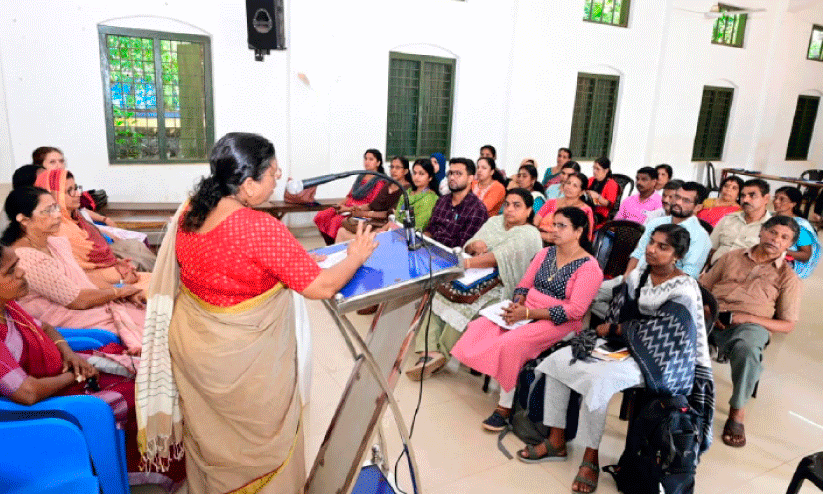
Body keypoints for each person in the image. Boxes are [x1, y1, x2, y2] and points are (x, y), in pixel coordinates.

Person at [137, 132, 379, 494]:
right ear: (248, 184)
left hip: (195, 346)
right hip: (241, 361)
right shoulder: (259, 227)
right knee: (256, 446)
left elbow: (229, 264)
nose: (278, 179)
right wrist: (358, 254)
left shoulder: (191, 210)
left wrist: (292, 262)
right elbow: (323, 288)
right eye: (273, 174)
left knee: (211, 436)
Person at [525, 224, 713, 494]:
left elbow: (668, 333)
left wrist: (616, 330)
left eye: (663, 247)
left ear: (677, 256)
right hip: (625, 346)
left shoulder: (684, 287)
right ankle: (556, 439)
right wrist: (615, 331)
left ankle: (590, 457)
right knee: (559, 361)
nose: (652, 250)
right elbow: (619, 310)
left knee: (599, 380)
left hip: (662, 360)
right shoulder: (639, 274)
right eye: (652, 242)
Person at [0, 246, 185, 488]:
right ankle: (148, 465)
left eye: (18, 265)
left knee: (152, 376)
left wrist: (68, 354)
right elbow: (27, 393)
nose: (22, 272)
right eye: (11, 271)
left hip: (65, 375)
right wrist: (73, 376)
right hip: (49, 399)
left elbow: (44, 327)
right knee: (145, 395)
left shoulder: (8, 307)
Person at [451, 207, 603, 433]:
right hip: (528, 309)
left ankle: (505, 406)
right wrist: (518, 302)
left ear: (578, 231)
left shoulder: (589, 267)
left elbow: (575, 311)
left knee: (513, 343)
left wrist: (529, 315)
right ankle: (503, 380)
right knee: (482, 325)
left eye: (562, 226)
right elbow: (524, 283)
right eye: (554, 224)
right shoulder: (546, 253)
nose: (555, 230)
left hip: (559, 322)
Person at [406, 189, 542, 380]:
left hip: (501, 284)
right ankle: (426, 351)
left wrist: (465, 263)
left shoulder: (530, 233)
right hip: (473, 274)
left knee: (467, 302)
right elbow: (469, 245)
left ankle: (441, 353)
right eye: (507, 204)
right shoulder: (495, 222)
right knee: (441, 291)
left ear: (529, 210)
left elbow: (498, 257)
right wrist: (473, 247)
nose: (510, 209)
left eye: (517, 205)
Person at [2, 187, 146, 354]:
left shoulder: (54, 243)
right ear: (24, 219)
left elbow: (82, 278)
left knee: (147, 308)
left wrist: (123, 289)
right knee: (147, 326)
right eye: (47, 211)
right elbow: (77, 300)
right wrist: (118, 292)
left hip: (88, 307)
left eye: (56, 207)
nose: (57, 215)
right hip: (69, 317)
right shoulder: (26, 258)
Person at [700, 216, 801, 448]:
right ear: (762, 231)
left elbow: (788, 324)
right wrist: (708, 310)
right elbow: (703, 288)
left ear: (789, 245)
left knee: (748, 347)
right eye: (773, 232)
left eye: (784, 238)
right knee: (674, 325)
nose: (776, 240)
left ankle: (737, 411)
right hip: (711, 315)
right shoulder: (731, 257)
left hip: (749, 325)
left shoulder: (788, 277)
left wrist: (748, 318)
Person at [35, 169, 153, 286]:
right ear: (53, 196)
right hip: (99, 283)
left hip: (109, 271)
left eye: (76, 188)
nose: (78, 194)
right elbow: (78, 276)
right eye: (69, 191)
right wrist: (120, 276)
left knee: (149, 270)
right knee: (154, 284)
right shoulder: (57, 230)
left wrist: (117, 263)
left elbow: (99, 252)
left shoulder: (76, 217)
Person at [624, 182, 710, 279]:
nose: (678, 202)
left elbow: (689, 274)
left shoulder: (700, 236)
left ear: (698, 207)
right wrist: (627, 275)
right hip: (635, 278)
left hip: (665, 287)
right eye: (677, 197)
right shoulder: (656, 222)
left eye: (686, 200)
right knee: (604, 289)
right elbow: (638, 253)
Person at [313, 149, 387, 245]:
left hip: (358, 211)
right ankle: (330, 244)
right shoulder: (361, 177)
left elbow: (371, 205)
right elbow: (349, 196)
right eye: (365, 159)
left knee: (335, 222)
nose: (367, 162)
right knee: (321, 216)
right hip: (346, 207)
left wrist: (347, 209)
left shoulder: (380, 181)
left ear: (378, 163)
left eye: (371, 159)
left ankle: (335, 247)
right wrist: (339, 205)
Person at [335, 155, 410, 242]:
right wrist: (358, 208)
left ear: (405, 171)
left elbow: (390, 214)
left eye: (397, 168)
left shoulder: (407, 190)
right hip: (373, 221)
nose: (393, 170)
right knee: (342, 229)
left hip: (386, 225)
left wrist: (364, 213)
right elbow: (372, 205)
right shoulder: (388, 185)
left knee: (345, 232)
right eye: (392, 167)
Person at [424, 158, 488, 248]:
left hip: (452, 259)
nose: (452, 177)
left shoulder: (477, 210)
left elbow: (461, 246)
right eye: (450, 173)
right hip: (429, 251)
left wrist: (433, 239)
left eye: (458, 173)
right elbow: (431, 229)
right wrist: (424, 237)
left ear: (470, 178)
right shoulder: (442, 200)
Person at [708, 179, 772, 265]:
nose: (745, 200)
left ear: (766, 199)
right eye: (743, 195)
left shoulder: (773, 228)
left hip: (744, 275)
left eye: (752, 195)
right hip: (715, 268)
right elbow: (711, 249)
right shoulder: (728, 219)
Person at [772, 186, 820, 279]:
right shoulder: (769, 217)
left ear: (793, 204)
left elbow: (806, 254)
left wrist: (783, 251)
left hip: (782, 265)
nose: (776, 201)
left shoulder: (799, 226)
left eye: (782, 199)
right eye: (775, 198)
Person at [534, 172, 594, 243]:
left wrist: (548, 237)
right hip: (539, 240)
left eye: (575, 186)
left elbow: (583, 238)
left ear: (581, 192)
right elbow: (535, 223)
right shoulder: (551, 203)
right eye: (568, 183)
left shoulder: (585, 210)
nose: (569, 187)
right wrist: (545, 236)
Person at [391, 158, 439, 232]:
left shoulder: (429, 198)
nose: (416, 177)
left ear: (430, 177)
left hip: (412, 237)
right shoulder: (408, 192)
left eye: (421, 174)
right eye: (414, 173)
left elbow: (418, 226)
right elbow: (397, 216)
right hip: (397, 230)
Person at [585, 157, 619, 229]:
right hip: (588, 208)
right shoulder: (591, 180)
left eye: (597, 169)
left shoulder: (611, 184)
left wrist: (597, 197)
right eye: (594, 168)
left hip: (601, 214)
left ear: (606, 170)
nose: (594, 171)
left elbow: (609, 204)